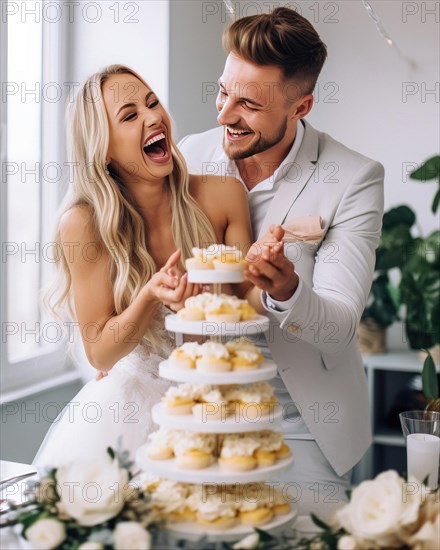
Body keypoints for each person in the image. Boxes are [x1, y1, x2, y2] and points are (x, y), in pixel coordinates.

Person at [179, 7, 384, 517]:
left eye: (248, 103)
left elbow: (339, 330)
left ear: (302, 105)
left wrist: (289, 291)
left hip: (301, 423)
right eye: (223, 91)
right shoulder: (188, 156)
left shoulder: (354, 178)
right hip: (200, 408)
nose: (224, 115)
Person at [33, 64, 252, 467]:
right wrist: (149, 296)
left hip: (215, 404)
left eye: (152, 103)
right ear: (104, 149)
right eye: (130, 115)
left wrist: (265, 268)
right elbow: (99, 353)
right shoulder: (84, 224)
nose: (153, 117)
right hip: (128, 415)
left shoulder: (223, 195)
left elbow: (248, 307)